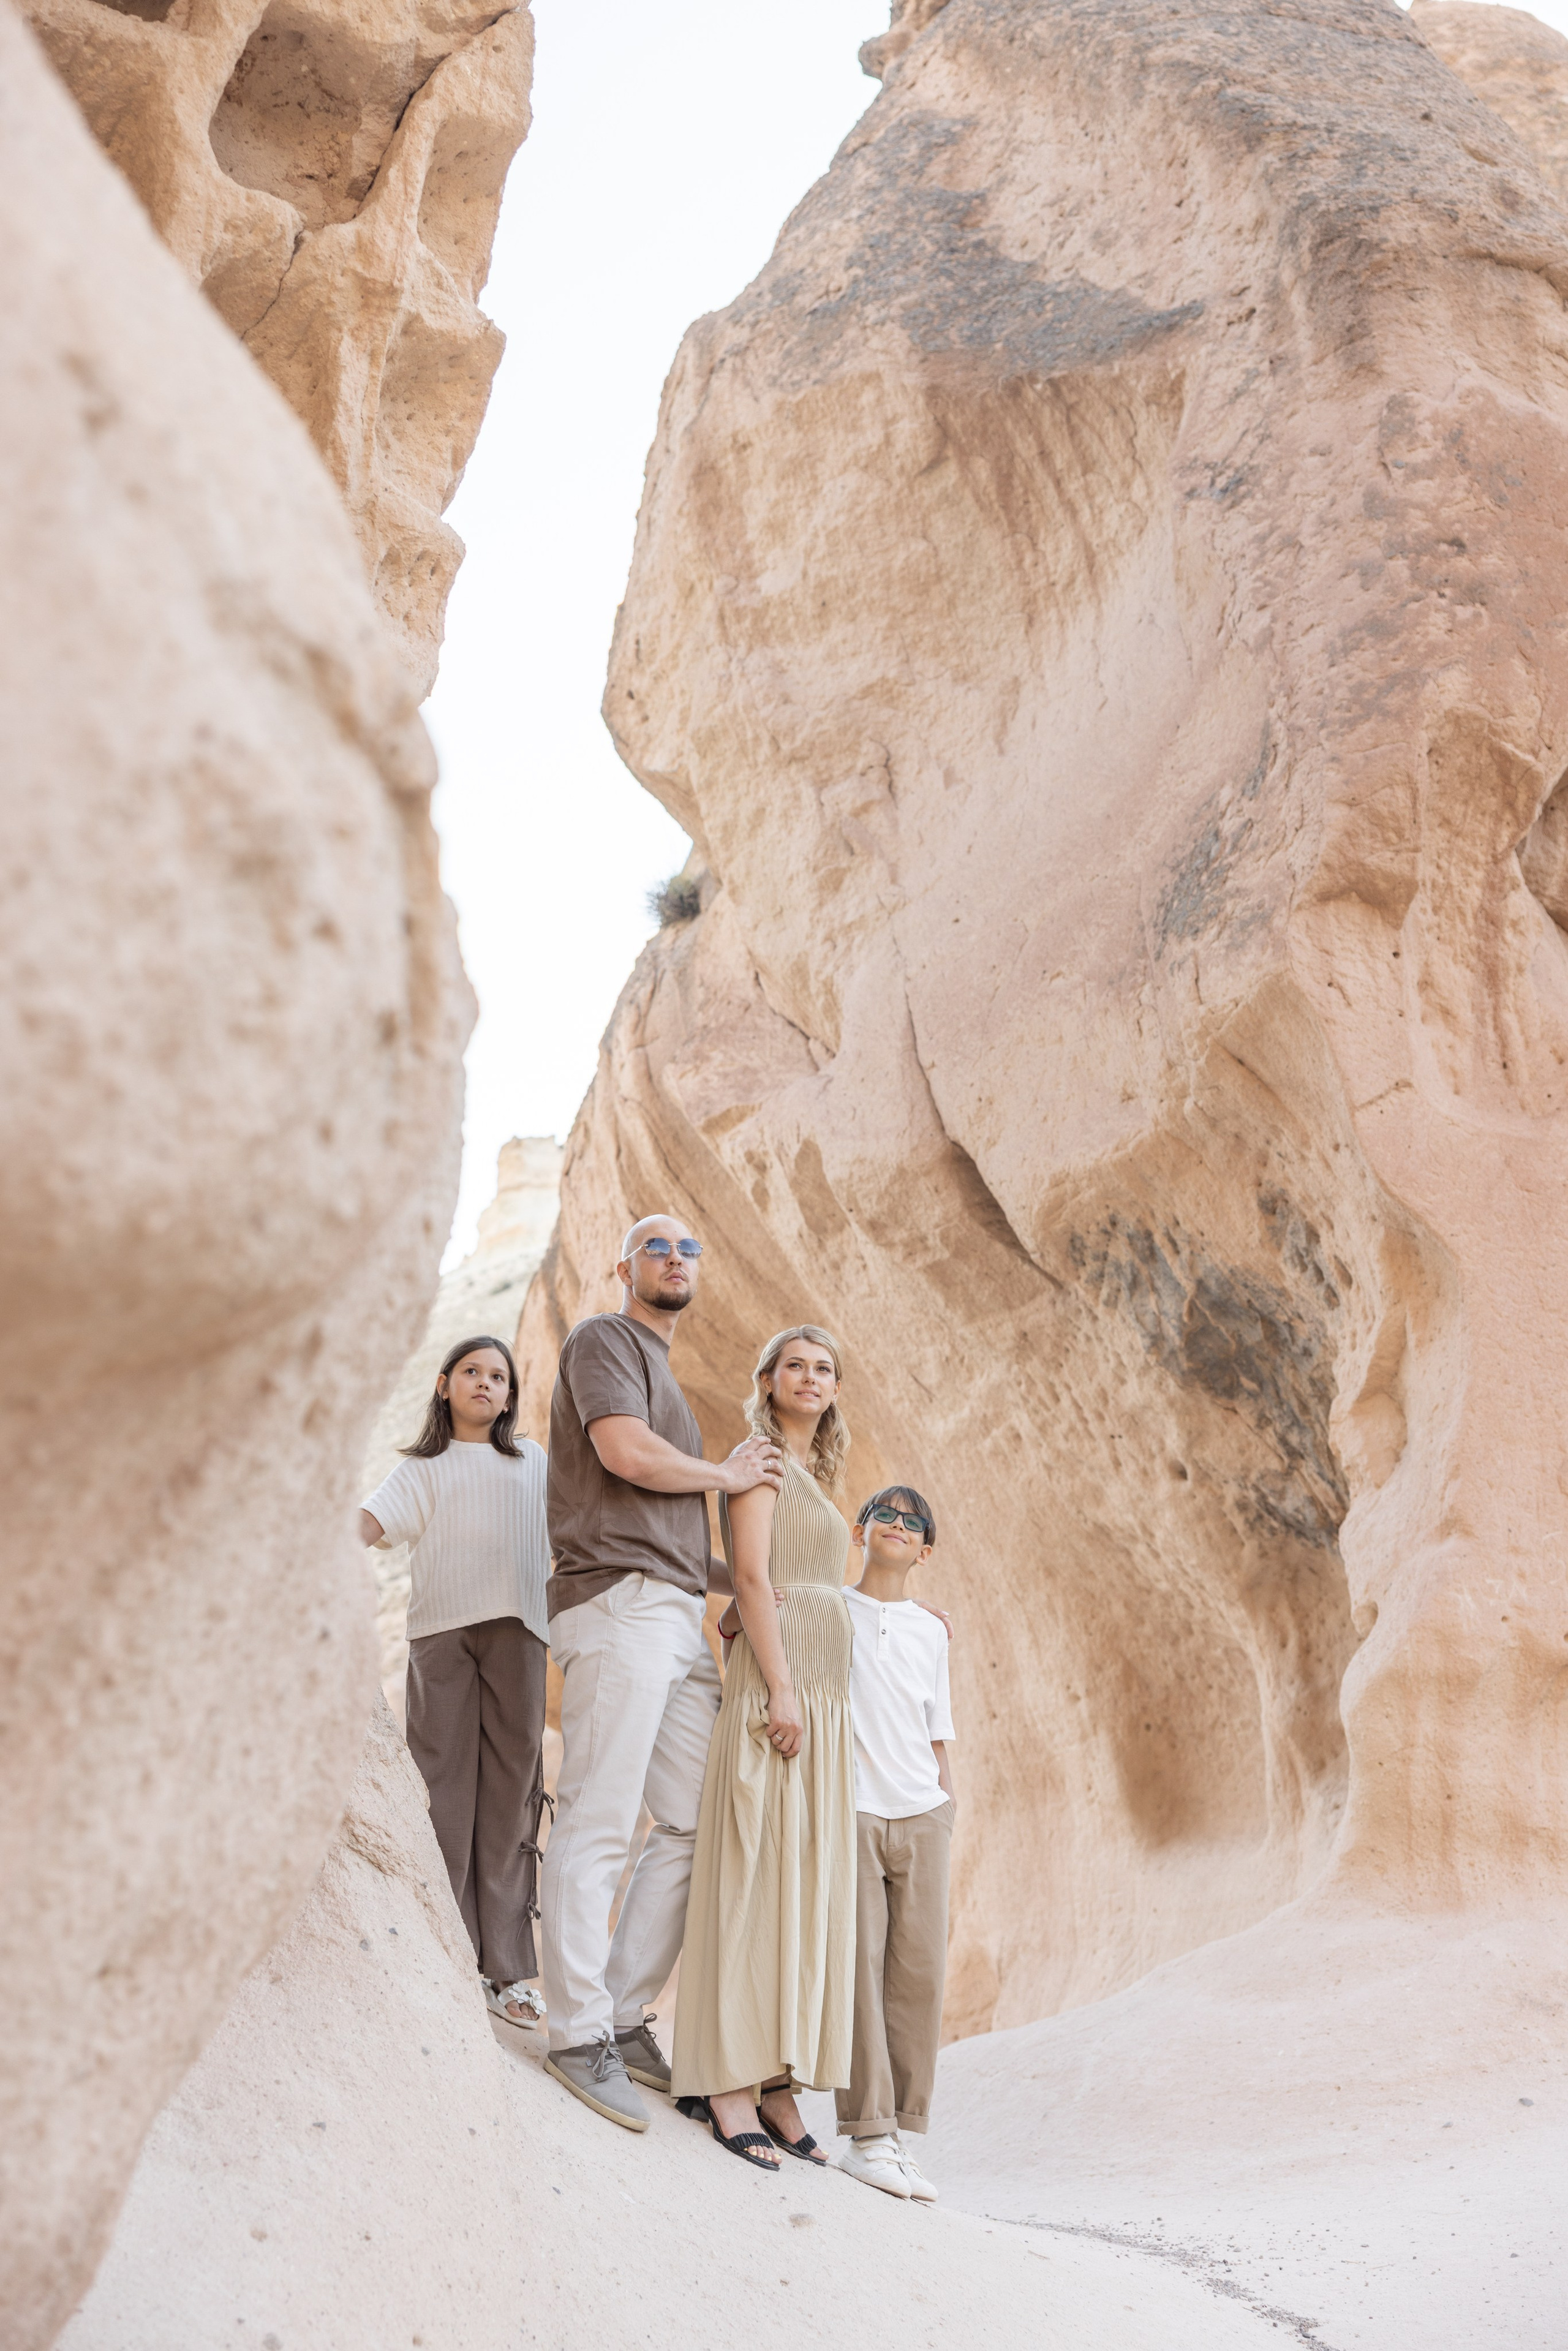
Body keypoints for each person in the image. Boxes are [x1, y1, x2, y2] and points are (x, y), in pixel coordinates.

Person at [539, 1215, 783, 2132]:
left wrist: (758, 1582)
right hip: (619, 1604)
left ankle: (620, 2011)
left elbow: (671, 1523)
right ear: (625, 1267)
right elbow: (623, 1454)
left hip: (673, 1613)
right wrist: (723, 1474)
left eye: (690, 1249)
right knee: (602, 1815)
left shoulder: (663, 1370)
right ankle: (574, 2033)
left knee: (692, 1817)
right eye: (657, 1247)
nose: (676, 1258)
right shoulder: (605, 1339)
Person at [671, 1326, 858, 2173]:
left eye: (825, 1369)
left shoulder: (816, 1473)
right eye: (797, 1366)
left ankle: (777, 2077)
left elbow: (807, 1581)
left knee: (800, 1879)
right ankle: (728, 2083)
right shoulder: (760, 1460)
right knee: (753, 1873)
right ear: (768, 1380)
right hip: (780, 1690)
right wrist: (780, 1687)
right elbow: (750, 1578)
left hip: (822, 1692)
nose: (811, 1379)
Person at [361, 1335, 550, 2030]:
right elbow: (363, 1527)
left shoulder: (534, 1463)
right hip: (440, 1640)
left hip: (521, 1636)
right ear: (444, 1385)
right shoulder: (420, 1469)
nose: (485, 1383)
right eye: (471, 1371)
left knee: (509, 1799)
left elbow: (580, 1528)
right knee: (442, 1793)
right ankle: (442, 1952)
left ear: (509, 1395)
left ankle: (506, 1971)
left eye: (498, 1376)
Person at [835, 1484, 955, 2202]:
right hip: (851, 1808)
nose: (898, 1526)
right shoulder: (831, 1606)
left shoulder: (932, 1629)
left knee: (918, 1975)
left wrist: (946, 1803)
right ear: (860, 1530)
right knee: (858, 1971)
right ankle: (866, 2135)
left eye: (913, 1522)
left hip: (922, 1812)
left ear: (925, 1550)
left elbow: (939, 1724)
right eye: (885, 1515)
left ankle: (899, 2133)